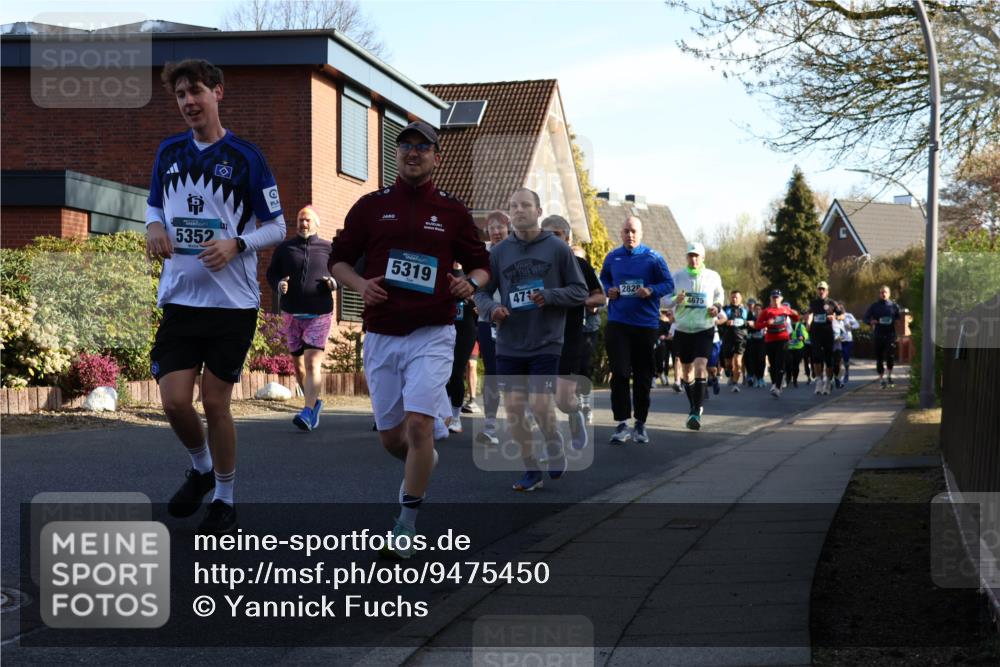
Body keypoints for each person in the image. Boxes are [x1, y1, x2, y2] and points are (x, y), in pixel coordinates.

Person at [329, 121, 490, 558]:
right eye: (405, 147)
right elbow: (338, 260)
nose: (413, 153)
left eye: (423, 147)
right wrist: (360, 286)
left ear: (437, 157)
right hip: (381, 332)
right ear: (396, 156)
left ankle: (405, 525)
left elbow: (480, 264)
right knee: (391, 439)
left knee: (420, 425)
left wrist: (469, 284)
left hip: (433, 332)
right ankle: (423, 462)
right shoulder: (370, 206)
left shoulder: (453, 211)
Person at [145, 59, 287, 535]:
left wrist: (237, 244)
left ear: (218, 93)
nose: (188, 102)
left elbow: (278, 225)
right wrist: (154, 228)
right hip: (181, 299)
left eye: (196, 92)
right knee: (173, 402)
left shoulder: (247, 157)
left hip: (232, 304)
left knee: (216, 402)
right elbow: (152, 209)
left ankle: (225, 495)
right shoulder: (168, 152)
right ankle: (202, 468)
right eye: (181, 95)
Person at [474, 189, 587, 491]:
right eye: (514, 206)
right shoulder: (498, 253)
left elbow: (580, 291)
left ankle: (554, 444)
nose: (519, 210)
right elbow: (481, 293)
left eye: (526, 205)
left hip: (546, 340)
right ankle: (531, 469)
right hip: (509, 341)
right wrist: (492, 309)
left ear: (538, 211)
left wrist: (549, 296)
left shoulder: (557, 249)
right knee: (513, 411)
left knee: (539, 405)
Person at [599, 216, 674, 443]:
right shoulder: (613, 257)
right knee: (620, 372)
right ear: (620, 233)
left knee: (642, 375)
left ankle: (640, 423)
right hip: (618, 322)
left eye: (633, 231)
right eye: (626, 231)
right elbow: (603, 279)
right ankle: (621, 424)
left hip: (645, 325)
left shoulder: (654, 258)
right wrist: (608, 289)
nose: (630, 235)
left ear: (641, 233)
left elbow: (669, 284)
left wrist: (651, 290)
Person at [266, 205, 335, 432]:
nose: (303, 224)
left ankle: (307, 412)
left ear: (316, 224)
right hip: (291, 313)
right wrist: (278, 284)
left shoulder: (328, 248)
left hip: (319, 313)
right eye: (300, 220)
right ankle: (314, 404)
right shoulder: (285, 248)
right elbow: (271, 273)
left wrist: (334, 283)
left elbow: (341, 272)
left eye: (307, 220)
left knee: (312, 362)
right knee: (298, 364)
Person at [541, 215, 606, 451]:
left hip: (568, 336)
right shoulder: (535, 265)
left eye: (556, 235)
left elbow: (601, 296)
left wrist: (581, 300)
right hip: (538, 337)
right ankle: (551, 443)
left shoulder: (580, 266)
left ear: (567, 239)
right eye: (546, 235)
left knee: (563, 399)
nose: (551, 240)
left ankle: (574, 414)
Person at [667, 242, 725, 430]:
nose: (693, 259)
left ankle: (696, 410)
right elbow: (664, 299)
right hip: (683, 329)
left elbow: (719, 296)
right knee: (686, 372)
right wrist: (677, 299)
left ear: (703, 257)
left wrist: (717, 307)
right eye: (690, 256)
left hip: (704, 327)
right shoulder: (677, 276)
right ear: (686, 257)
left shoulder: (712, 276)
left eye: (697, 256)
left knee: (701, 367)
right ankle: (693, 406)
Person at [474, 211, 511, 446]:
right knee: (492, 372)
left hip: (515, 320)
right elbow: (474, 283)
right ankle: (490, 426)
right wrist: (480, 304)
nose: (496, 231)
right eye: (492, 228)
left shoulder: (517, 250)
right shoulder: (482, 255)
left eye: (501, 227)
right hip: (488, 320)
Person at [444, 262, 479, 433]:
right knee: (441, 375)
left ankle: (456, 417)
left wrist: (472, 300)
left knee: (456, 372)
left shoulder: (472, 273)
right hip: (442, 328)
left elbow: (482, 300)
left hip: (465, 330)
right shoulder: (442, 268)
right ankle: (442, 415)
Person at [755, 290, 799, 397]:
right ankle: (775, 383)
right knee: (773, 363)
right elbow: (757, 325)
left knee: (780, 363)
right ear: (770, 298)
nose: (775, 299)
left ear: (781, 298)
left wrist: (795, 314)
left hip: (783, 338)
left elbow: (796, 318)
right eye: (773, 297)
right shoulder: (766, 311)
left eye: (777, 297)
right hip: (770, 339)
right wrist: (767, 323)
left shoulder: (785, 309)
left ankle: (777, 387)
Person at [806, 280, 843, 396]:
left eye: (823, 289)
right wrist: (808, 321)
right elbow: (808, 314)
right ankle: (819, 381)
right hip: (815, 333)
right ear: (817, 290)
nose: (821, 291)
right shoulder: (813, 303)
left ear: (827, 291)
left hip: (827, 334)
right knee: (816, 358)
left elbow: (842, 315)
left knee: (828, 360)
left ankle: (828, 381)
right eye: (819, 289)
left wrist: (835, 317)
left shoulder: (832, 303)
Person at [863, 285, 902, 388]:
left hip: (890, 335)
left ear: (889, 294)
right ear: (879, 294)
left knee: (890, 356)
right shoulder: (874, 306)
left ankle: (889, 376)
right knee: (879, 358)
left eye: (885, 292)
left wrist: (897, 323)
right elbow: (865, 318)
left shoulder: (894, 306)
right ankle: (881, 379)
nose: (884, 294)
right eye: (882, 292)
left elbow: (899, 318)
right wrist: (871, 321)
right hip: (878, 335)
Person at [721, 290, 750, 392]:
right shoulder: (725, 309)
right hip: (728, 339)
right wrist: (725, 323)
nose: (734, 299)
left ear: (740, 298)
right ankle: (730, 372)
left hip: (741, 339)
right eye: (732, 297)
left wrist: (746, 323)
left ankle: (735, 384)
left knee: (738, 362)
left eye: (736, 297)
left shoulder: (745, 310)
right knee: (728, 364)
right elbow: (719, 322)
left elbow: (753, 323)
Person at [745, 299, 766, 387]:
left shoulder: (765, 319)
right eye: (756, 309)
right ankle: (753, 377)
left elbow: (762, 327)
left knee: (761, 360)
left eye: (759, 309)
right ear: (754, 310)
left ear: (762, 311)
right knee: (752, 360)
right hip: (752, 341)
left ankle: (760, 378)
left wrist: (754, 325)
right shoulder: (750, 318)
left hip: (762, 341)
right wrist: (752, 326)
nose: (757, 311)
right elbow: (748, 328)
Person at [786, 316, 810, 388]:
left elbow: (806, 334)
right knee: (789, 363)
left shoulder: (801, 325)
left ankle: (795, 380)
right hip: (789, 347)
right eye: (791, 317)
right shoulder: (787, 325)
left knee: (795, 365)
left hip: (799, 347)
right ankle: (788, 379)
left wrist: (803, 337)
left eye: (794, 317)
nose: (793, 319)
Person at [654, 309, 673, 387]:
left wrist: (664, 336)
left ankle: (662, 375)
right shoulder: (649, 323)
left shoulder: (664, 323)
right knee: (652, 362)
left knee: (660, 362)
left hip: (661, 345)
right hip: (650, 344)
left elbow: (668, 333)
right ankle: (653, 379)